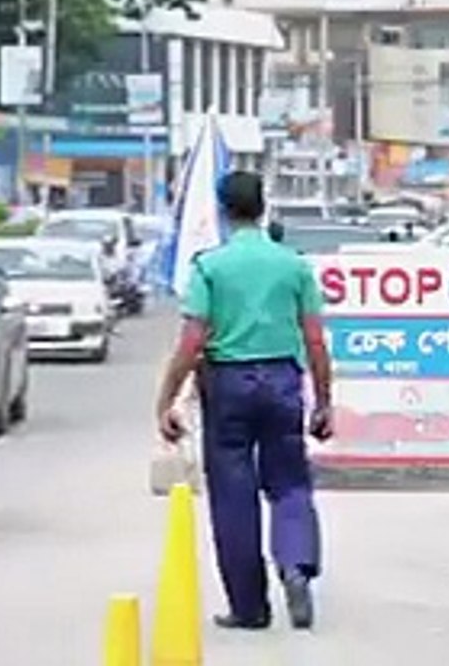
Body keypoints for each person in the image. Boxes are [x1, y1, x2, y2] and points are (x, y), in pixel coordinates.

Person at [153, 171, 334, 631]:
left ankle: (249, 607)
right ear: (263, 206)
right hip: (282, 382)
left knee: (233, 497)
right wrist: (324, 402)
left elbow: (192, 340)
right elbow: (314, 340)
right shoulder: (293, 265)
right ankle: (295, 565)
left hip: (228, 385)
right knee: (290, 482)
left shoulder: (210, 267)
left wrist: (167, 400)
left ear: (223, 210)